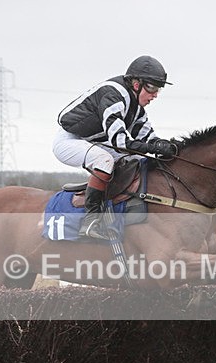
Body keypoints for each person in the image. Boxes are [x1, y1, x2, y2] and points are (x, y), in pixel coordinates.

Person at [53, 55, 177, 239]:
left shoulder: (137, 109)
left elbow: (147, 138)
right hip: (69, 141)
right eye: (152, 88)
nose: (155, 95)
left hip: (95, 141)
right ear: (137, 84)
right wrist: (154, 148)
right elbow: (120, 142)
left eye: (158, 89)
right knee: (104, 160)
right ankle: (91, 221)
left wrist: (163, 145)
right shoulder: (113, 95)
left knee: (138, 161)